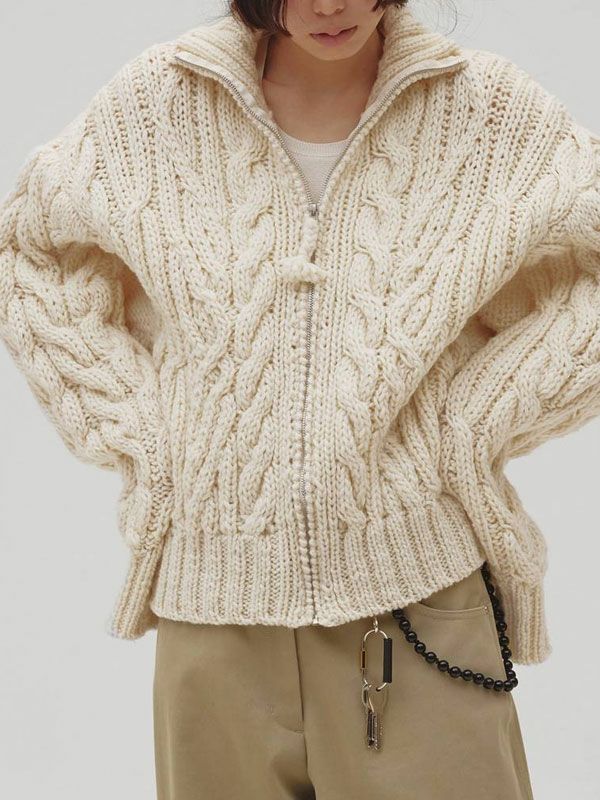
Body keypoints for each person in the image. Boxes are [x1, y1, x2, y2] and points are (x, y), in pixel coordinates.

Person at [1, 0, 599, 796]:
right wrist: (147, 437)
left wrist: (476, 420)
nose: (328, 4)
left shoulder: (485, 112)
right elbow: (31, 248)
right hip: (212, 620)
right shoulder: (159, 103)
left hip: (415, 605)